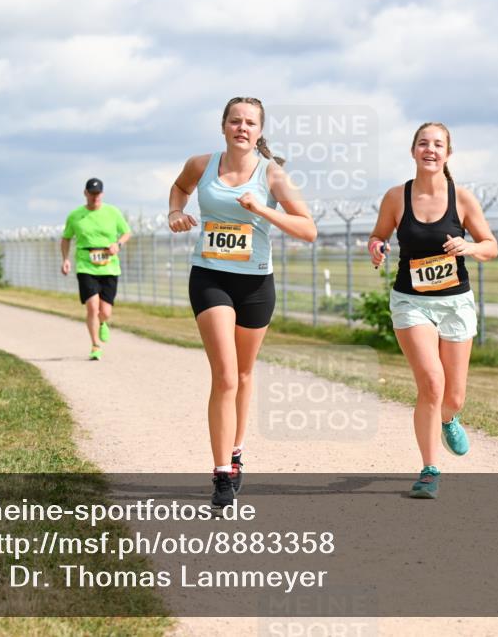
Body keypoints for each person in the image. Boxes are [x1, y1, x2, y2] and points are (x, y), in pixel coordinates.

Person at [168, 97, 317, 508]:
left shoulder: (273, 175)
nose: (242, 128)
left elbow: (308, 230)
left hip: (255, 283)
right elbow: (179, 188)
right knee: (226, 376)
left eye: (250, 123)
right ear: (223, 126)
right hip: (210, 277)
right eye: (235, 121)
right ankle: (220, 474)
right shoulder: (201, 164)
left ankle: (236, 452)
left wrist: (263, 212)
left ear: (259, 130)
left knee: (246, 374)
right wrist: (174, 212)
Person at [367, 122, 498, 499]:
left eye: (438, 144)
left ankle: (449, 417)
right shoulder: (396, 197)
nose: (430, 149)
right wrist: (376, 247)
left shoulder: (462, 198)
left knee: (453, 395)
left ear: (448, 154)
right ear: (413, 151)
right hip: (411, 302)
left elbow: (491, 245)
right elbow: (378, 235)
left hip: (456, 302)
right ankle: (429, 469)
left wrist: (469, 248)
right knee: (431, 382)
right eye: (423, 143)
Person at [60, 177, 132, 360]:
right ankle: (95, 345)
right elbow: (66, 238)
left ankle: (103, 323)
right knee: (92, 307)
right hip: (86, 265)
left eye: (98, 193)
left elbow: (127, 232)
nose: (95, 197)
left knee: (105, 312)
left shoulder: (112, 212)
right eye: (91, 194)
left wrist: (118, 244)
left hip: (109, 267)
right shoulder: (75, 216)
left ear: (102, 193)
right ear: (85, 194)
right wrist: (65, 259)